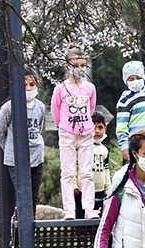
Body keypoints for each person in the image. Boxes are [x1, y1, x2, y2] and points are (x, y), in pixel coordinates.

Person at [51, 45, 97, 220]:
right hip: (67, 133)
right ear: (67, 66)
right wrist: (62, 125)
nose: (79, 69)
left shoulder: (90, 88)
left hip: (86, 133)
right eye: (75, 65)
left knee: (86, 172)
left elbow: (91, 108)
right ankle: (69, 211)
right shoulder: (60, 89)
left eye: (82, 65)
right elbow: (56, 110)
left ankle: (89, 209)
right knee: (68, 173)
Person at [0, 68, 46, 217]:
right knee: (23, 195)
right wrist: (10, 149)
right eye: (24, 85)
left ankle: (31, 229)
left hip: (37, 155)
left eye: (32, 84)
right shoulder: (9, 107)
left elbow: (39, 128)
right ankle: (20, 231)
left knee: (34, 195)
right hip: (16, 158)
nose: (28, 88)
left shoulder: (40, 107)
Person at [74, 112, 111, 218]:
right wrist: (74, 185)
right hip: (82, 192)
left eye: (100, 127)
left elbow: (106, 170)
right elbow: (74, 168)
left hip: (100, 193)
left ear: (105, 129)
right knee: (81, 223)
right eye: (93, 127)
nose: (97, 131)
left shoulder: (104, 150)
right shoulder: (81, 146)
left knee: (98, 222)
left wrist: (108, 188)